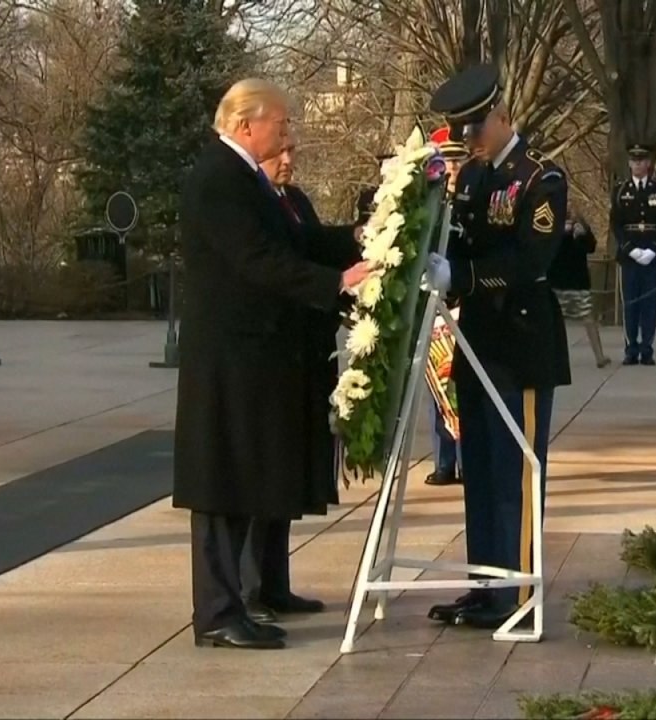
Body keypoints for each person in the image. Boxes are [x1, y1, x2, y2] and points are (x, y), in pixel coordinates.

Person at [172, 78, 370, 651]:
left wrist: (361, 239)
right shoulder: (218, 179)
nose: (287, 136)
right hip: (229, 356)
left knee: (241, 479)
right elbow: (258, 260)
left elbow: (298, 240)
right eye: (280, 125)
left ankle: (239, 600)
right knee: (219, 483)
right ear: (244, 125)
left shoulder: (247, 179)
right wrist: (336, 283)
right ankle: (215, 612)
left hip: (253, 353)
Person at [423, 64, 572, 629]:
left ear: (501, 115)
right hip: (479, 339)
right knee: (480, 469)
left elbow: (529, 260)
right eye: (461, 131)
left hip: (521, 340)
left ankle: (518, 591)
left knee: (517, 472)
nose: (469, 140)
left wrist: (460, 275)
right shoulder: (479, 177)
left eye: (475, 127)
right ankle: (486, 583)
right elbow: (465, 236)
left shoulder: (541, 179)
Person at [240, 132, 361, 624]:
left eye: (292, 153)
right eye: (279, 154)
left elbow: (317, 246)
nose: (288, 162)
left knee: (285, 475)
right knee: (259, 476)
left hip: (304, 354)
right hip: (269, 355)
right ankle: (250, 590)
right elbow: (278, 269)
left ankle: (275, 584)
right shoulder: (255, 204)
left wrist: (358, 243)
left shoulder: (293, 202)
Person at [424, 125, 470, 487]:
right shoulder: (430, 205)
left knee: (462, 387)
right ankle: (444, 460)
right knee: (437, 387)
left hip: (464, 305)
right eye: (447, 159)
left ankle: (468, 458)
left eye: (458, 158)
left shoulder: (475, 199)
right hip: (435, 307)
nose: (453, 166)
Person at [610, 143, 656, 366]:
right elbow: (616, 223)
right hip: (629, 254)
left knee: (650, 305)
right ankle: (630, 348)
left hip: (651, 253)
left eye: (642, 160)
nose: (638, 164)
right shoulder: (620, 190)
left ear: (648, 163)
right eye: (634, 161)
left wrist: (654, 249)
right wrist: (630, 250)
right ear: (629, 163)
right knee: (630, 303)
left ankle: (647, 348)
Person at [550, 214, 611, 368]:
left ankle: (599, 357)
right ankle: (552, 358)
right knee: (554, 323)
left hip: (578, 283)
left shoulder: (580, 232)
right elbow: (547, 249)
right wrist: (561, 233)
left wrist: (583, 234)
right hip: (556, 282)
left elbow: (591, 248)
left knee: (589, 319)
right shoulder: (552, 228)